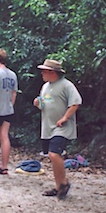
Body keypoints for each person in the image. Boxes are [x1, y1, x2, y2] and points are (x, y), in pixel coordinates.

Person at [34, 59, 82, 199]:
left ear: (52, 72)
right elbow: (44, 105)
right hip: (48, 126)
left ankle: (64, 184)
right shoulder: (45, 87)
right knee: (52, 156)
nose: (42, 73)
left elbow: (76, 103)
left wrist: (65, 118)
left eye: (44, 71)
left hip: (61, 127)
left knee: (54, 154)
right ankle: (59, 185)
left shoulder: (67, 85)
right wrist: (38, 103)